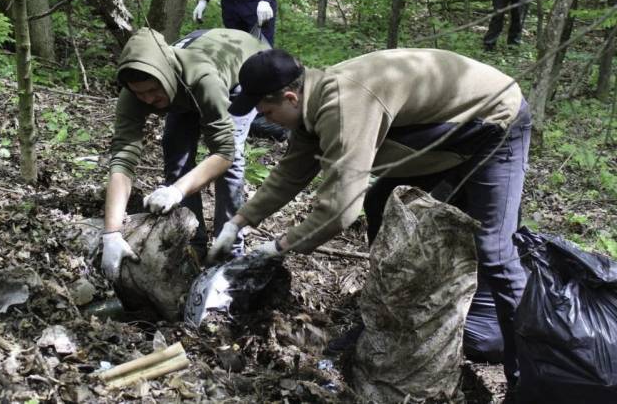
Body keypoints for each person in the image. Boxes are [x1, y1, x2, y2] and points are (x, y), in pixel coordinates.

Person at [209, 48, 531, 393]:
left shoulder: (344, 106)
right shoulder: (309, 104)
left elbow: (340, 211)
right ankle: (384, 316)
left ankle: (530, 376)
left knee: (495, 249)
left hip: (495, 121)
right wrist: (238, 222)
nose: (267, 120)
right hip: (444, 130)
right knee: (381, 201)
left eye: (267, 112)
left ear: (290, 97)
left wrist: (275, 248)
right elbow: (291, 173)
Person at [100, 27, 269, 281]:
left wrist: (176, 191)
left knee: (230, 164)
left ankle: (230, 250)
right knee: (175, 149)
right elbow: (123, 157)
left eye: (152, 90)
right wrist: (111, 233)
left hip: (242, 76)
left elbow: (224, 153)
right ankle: (194, 242)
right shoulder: (134, 90)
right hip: (181, 89)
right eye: (140, 93)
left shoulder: (203, 78)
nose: (147, 99)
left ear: (165, 77)